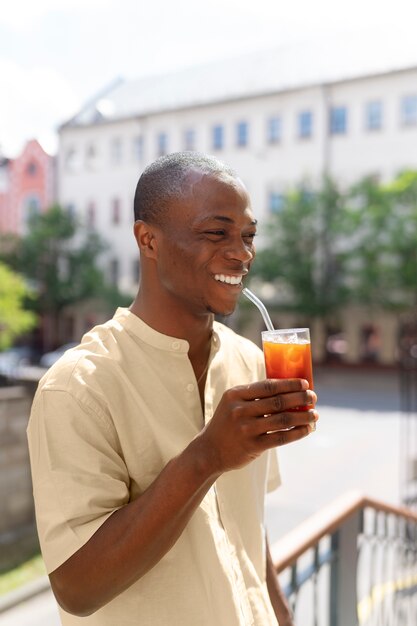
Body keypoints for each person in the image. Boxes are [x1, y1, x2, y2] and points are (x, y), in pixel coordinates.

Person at [27, 152, 318, 626]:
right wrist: (207, 457)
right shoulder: (77, 388)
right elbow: (76, 589)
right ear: (148, 239)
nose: (242, 253)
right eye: (215, 232)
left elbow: (247, 528)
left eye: (248, 236)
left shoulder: (249, 360)